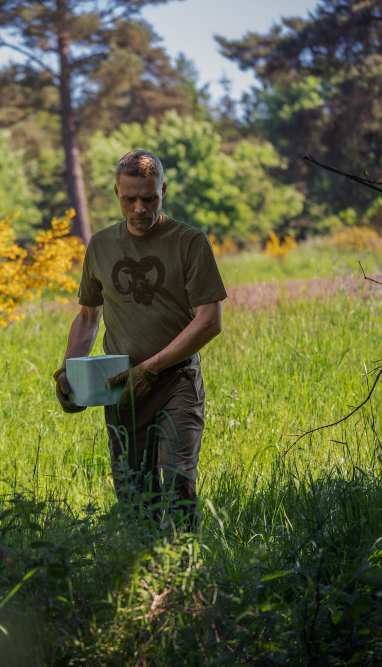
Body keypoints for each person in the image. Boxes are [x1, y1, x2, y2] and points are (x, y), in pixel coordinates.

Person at [53, 149, 227, 524]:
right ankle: (141, 576)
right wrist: (70, 373)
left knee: (178, 480)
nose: (139, 208)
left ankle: (183, 571)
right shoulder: (100, 245)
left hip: (175, 382)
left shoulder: (189, 242)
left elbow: (209, 320)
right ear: (116, 193)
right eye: (129, 199)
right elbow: (87, 316)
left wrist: (150, 369)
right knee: (133, 494)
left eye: (149, 198)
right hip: (120, 386)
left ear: (163, 190)